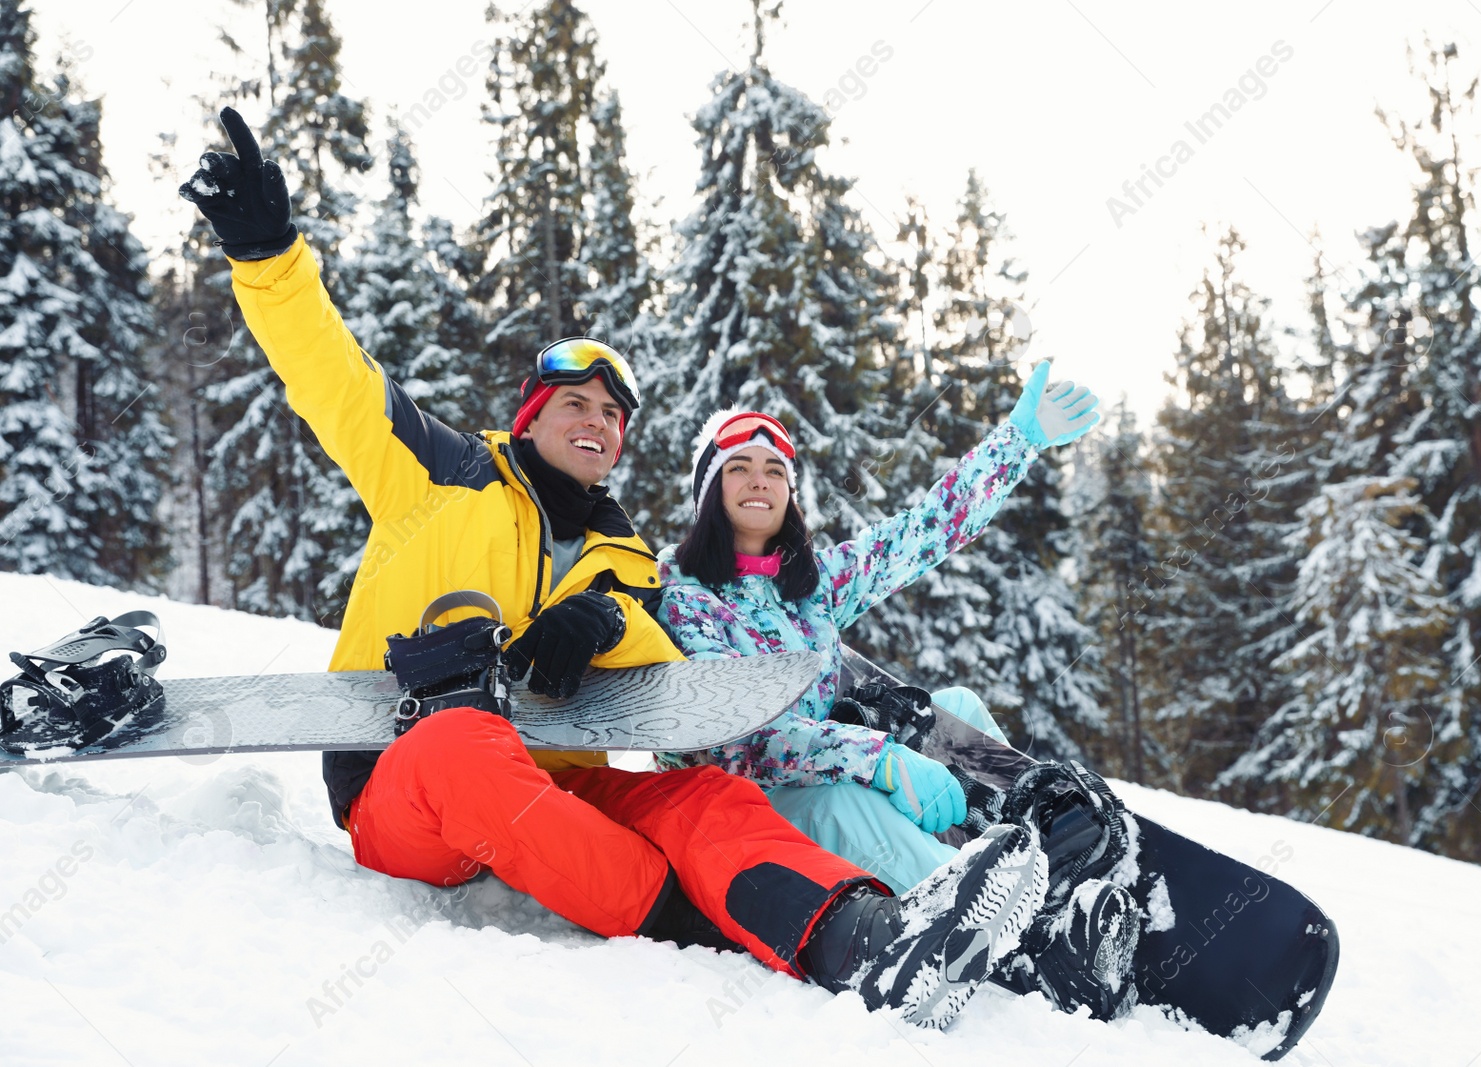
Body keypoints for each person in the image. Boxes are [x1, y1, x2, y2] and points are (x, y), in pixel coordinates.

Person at [177, 107, 1050, 1030]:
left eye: (613, 414)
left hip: (558, 784)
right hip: (409, 781)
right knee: (459, 745)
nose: (596, 420)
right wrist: (267, 253)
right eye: (576, 402)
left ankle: (864, 941)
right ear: (531, 414)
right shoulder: (437, 471)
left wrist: (598, 625)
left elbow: (655, 667)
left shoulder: (624, 557)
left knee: (704, 795)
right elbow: (331, 375)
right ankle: (693, 916)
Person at [653, 388, 1142, 1018]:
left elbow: (924, 531)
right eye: (739, 468)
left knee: (956, 708)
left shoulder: (812, 586)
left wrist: (1016, 442)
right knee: (844, 795)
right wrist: (879, 759)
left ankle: (1031, 864)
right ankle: (1021, 947)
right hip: (748, 809)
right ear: (708, 493)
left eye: (776, 471)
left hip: (828, 766)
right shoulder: (684, 596)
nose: (760, 481)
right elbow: (735, 740)